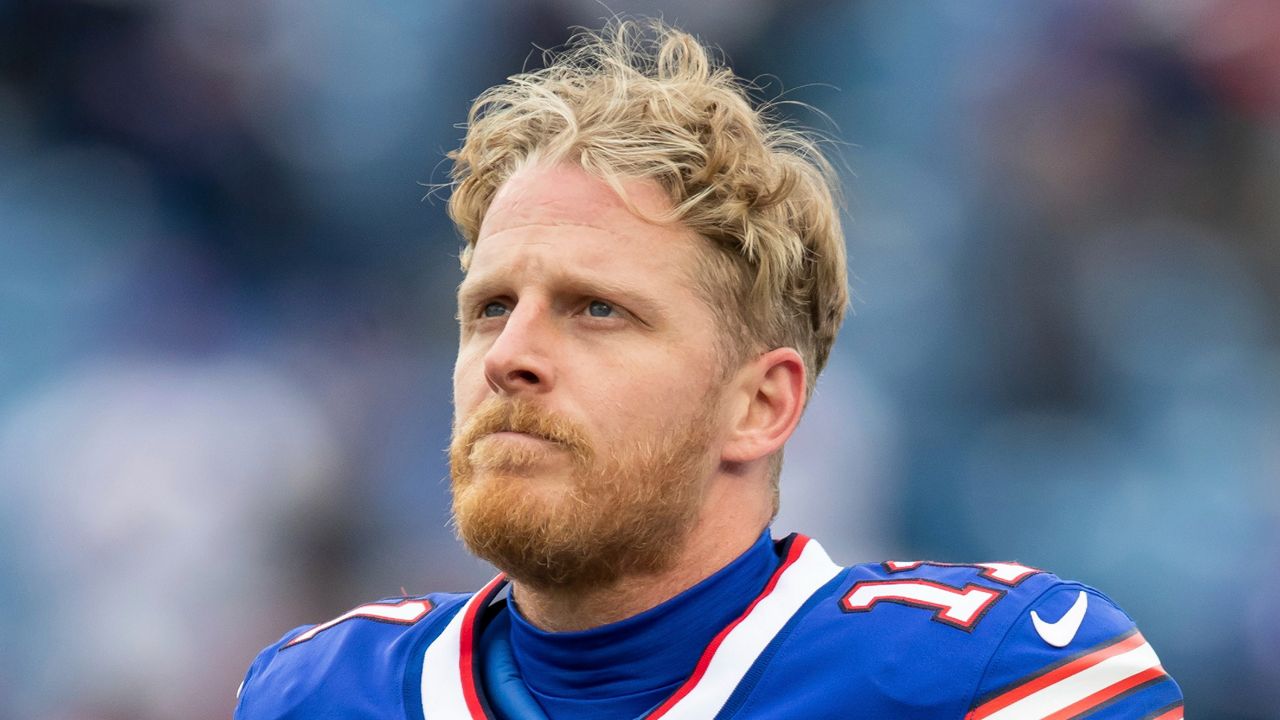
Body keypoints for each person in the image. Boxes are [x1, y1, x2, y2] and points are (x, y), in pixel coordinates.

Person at [233, 20, 1184, 720]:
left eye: (597, 309)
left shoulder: (994, 675)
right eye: (489, 309)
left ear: (761, 404)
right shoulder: (319, 690)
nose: (511, 357)